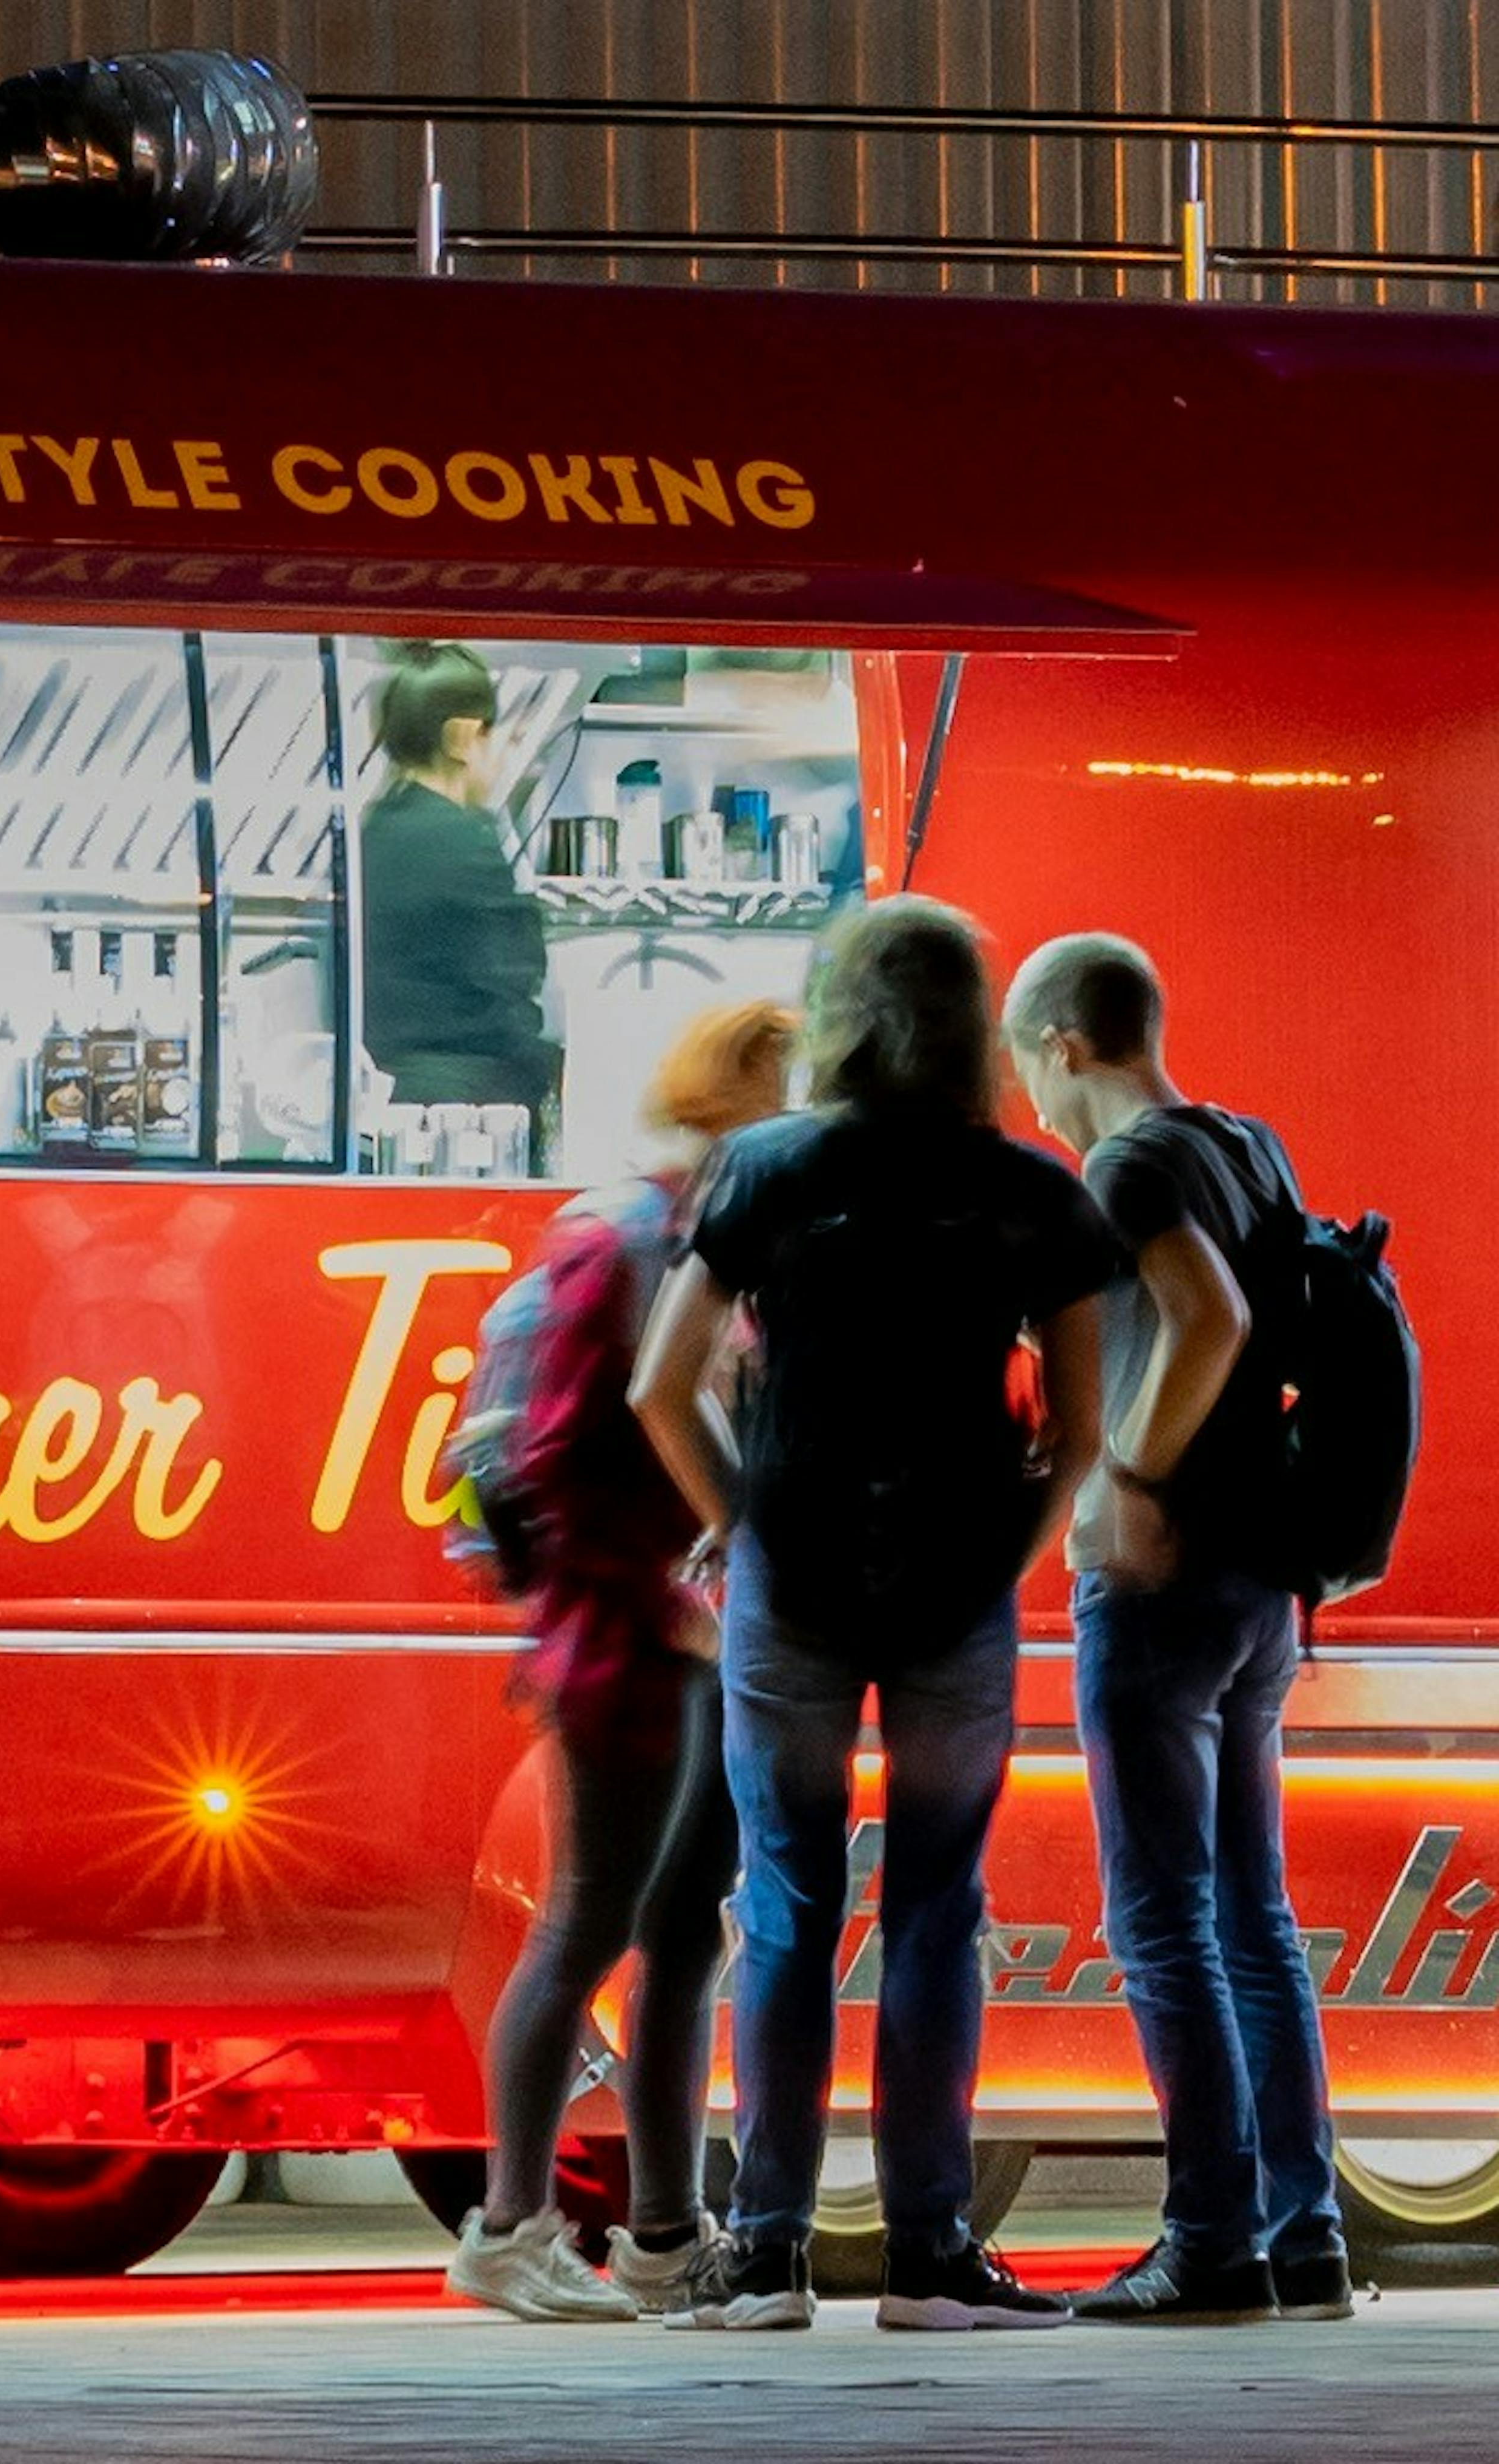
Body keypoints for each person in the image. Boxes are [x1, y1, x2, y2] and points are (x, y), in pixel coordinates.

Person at [629, 896, 1112, 2333]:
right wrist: (1010, 1548)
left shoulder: (764, 1165)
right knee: (934, 1911)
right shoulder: (1031, 1189)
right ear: (973, 1022)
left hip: (794, 1576)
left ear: (833, 1014)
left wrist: (737, 1524)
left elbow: (662, 1382)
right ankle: (928, 2254)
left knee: (781, 1904)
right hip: (956, 1585)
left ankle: (766, 2250)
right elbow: (1074, 1430)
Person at [1001, 931, 1351, 2325]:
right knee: (1248, 1916)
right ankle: (1300, 2229)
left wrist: (1127, 1475)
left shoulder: (1126, 1163)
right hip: (1258, 1579)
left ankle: (1207, 2236)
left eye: (1028, 1063)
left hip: (1159, 1581)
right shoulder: (1244, 1142)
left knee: (1158, 1921)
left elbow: (1200, 1317)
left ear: (1066, 1045)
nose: (1027, 1094)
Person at [444, 1001, 795, 2324]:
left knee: (681, 1935)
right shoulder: (629, 1241)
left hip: (681, 1638)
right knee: (585, 1922)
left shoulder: (695, 1239)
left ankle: (662, 2229)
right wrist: (670, 1596)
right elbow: (561, 1462)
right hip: (625, 1645)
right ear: (731, 1103)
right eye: (782, 1092)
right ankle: (509, 2224)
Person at [359, 642, 557, 1116]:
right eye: (496, 738)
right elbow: (512, 982)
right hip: (470, 1109)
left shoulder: (368, 834)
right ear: (461, 738)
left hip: (383, 1102)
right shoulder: (468, 838)